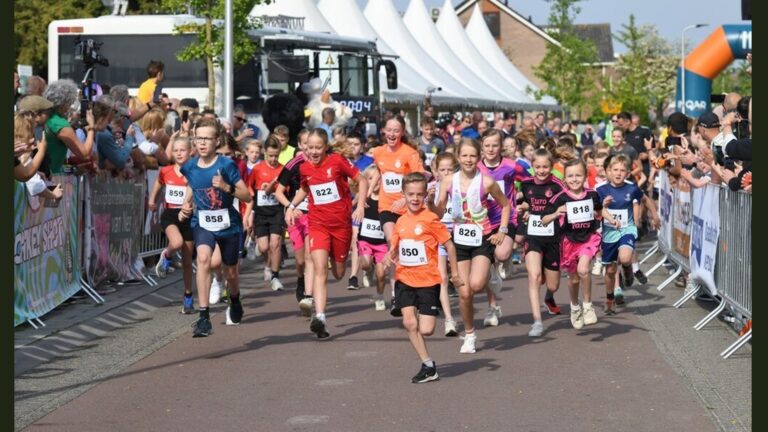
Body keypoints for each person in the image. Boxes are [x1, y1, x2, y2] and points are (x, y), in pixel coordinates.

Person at [285, 128, 368, 339]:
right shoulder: (304, 168)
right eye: (310, 147)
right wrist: (291, 205)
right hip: (318, 224)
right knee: (320, 268)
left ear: (325, 147)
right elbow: (305, 188)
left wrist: (360, 207)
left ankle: (337, 257)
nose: (313, 151)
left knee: (339, 272)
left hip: (341, 226)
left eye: (318, 147)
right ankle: (320, 317)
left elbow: (363, 180)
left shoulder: (337, 161)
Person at [381, 172, 463, 383]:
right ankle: (428, 365)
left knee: (426, 329)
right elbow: (395, 246)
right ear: (404, 195)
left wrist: (454, 274)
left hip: (428, 281)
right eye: (410, 194)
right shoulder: (400, 221)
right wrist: (389, 255)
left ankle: (422, 319)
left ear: (426, 195)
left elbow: (450, 246)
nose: (415, 199)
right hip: (404, 278)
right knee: (409, 323)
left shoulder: (431, 219)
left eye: (419, 194)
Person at [178, 117, 252, 337]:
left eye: (207, 139)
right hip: (203, 222)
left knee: (230, 273)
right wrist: (186, 203)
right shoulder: (189, 166)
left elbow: (247, 195)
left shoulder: (226, 165)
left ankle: (235, 298)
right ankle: (203, 317)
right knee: (202, 259)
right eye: (198, 138)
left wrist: (226, 187)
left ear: (216, 141)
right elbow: (192, 184)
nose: (202, 143)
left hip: (228, 225)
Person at [434, 138, 509, 353]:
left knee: (476, 285)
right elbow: (438, 212)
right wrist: (432, 203)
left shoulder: (486, 182)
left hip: (482, 238)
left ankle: (490, 272)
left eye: (472, 156)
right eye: (464, 155)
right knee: (465, 294)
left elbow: (505, 205)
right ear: (458, 157)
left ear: (479, 158)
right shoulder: (448, 181)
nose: (468, 159)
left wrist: (502, 231)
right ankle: (469, 335)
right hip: (459, 240)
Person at [477, 129, 528, 327]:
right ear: (482, 146)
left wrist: (526, 202)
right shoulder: (476, 167)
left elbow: (531, 182)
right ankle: (492, 307)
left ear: (501, 147)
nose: (490, 149)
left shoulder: (511, 166)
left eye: (495, 145)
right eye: (487, 145)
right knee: (488, 266)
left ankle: (504, 262)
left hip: (506, 217)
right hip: (482, 221)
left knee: (503, 254)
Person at [597, 155, 659, 314]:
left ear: (628, 173)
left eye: (622, 170)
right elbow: (595, 210)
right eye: (615, 170)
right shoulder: (600, 190)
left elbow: (645, 200)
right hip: (609, 232)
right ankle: (609, 298)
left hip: (627, 229)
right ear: (608, 171)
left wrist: (655, 216)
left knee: (624, 257)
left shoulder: (632, 188)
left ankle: (627, 269)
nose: (618, 174)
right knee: (610, 270)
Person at [545, 159, 602, 329]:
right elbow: (543, 220)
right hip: (568, 242)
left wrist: (607, 217)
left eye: (578, 175)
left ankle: (588, 306)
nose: (574, 179)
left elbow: (599, 211)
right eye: (570, 176)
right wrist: (555, 214)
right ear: (564, 178)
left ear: (585, 176)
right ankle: (574, 306)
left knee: (583, 270)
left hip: (588, 238)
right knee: (574, 278)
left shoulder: (592, 194)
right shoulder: (560, 198)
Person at [518, 148, 565, 337]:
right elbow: (528, 201)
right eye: (538, 167)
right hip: (533, 236)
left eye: (546, 167)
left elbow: (565, 202)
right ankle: (537, 321)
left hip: (553, 237)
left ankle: (549, 297)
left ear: (552, 167)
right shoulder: (526, 184)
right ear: (532, 167)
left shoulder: (557, 185)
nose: (542, 170)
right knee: (534, 276)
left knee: (553, 285)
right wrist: (524, 208)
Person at [148, 136, 195, 313]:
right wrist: (152, 199)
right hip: (170, 215)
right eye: (175, 150)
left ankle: (188, 296)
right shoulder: (166, 170)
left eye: (182, 150)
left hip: (188, 217)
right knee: (176, 243)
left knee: (188, 262)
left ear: (190, 151)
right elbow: (158, 184)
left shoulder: (194, 171)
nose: (179, 153)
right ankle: (166, 256)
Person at [275, 129, 315, 316]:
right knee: (300, 261)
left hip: (315, 216)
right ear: (300, 145)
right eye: (305, 143)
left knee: (309, 256)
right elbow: (278, 192)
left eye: (312, 143)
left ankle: (308, 295)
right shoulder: (293, 164)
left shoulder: (322, 162)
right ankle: (301, 280)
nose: (309, 148)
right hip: (296, 215)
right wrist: (291, 206)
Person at [244, 135, 286, 291]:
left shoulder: (283, 170)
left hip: (276, 211)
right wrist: (248, 215)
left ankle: (275, 276)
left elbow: (286, 192)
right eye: (270, 155)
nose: (273, 159)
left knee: (275, 243)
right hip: (261, 212)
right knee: (263, 247)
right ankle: (268, 264)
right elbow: (250, 192)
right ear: (265, 153)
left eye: (276, 155)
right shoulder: (257, 169)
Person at [429, 153, 462, 337]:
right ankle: (449, 320)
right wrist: (428, 201)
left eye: (450, 169)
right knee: (442, 276)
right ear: (436, 171)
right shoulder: (431, 188)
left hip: (461, 235)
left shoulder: (461, 186)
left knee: (466, 279)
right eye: (442, 170)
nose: (446, 173)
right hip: (440, 236)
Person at [43, 79, 99, 174]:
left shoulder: (48, 117)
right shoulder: (59, 123)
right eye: (71, 102)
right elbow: (84, 154)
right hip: (52, 176)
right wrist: (91, 128)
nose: (72, 106)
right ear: (63, 104)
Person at [356, 166, 389, 310]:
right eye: (370, 179)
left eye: (378, 179)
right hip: (365, 240)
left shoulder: (387, 200)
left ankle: (380, 296)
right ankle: (368, 270)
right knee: (365, 264)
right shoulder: (364, 197)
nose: (375, 182)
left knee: (381, 274)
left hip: (381, 243)